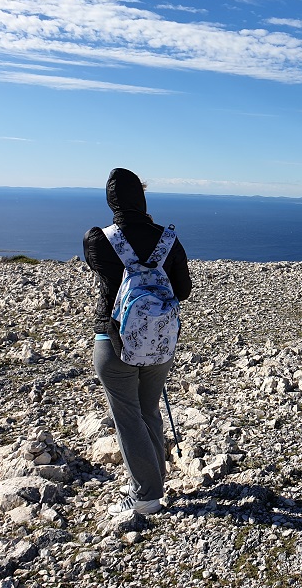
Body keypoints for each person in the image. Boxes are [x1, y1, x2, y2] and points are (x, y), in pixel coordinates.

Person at [83, 168, 192, 515]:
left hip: (113, 342)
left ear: (111, 201)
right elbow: (184, 290)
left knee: (128, 418)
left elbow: (101, 274)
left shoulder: (98, 238)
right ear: (142, 198)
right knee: (148, 411)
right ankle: (153, 480)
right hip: (159, 342)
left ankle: (145, 495)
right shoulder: (167, 239)